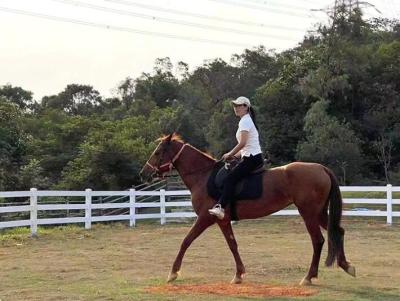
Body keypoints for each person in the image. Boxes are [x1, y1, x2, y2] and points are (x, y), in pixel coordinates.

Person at [208, 96, 263, 219]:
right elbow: (245, 147)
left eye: (239, 106)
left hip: (252, 158)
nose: (236, 108)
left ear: (246, 107)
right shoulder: (245, 120)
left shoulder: (245, 121)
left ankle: (221, 207)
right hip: (250, 156)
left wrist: (230, 154)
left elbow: (242, 143)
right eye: (235, 106)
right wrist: (234, 156)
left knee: (230, 179)